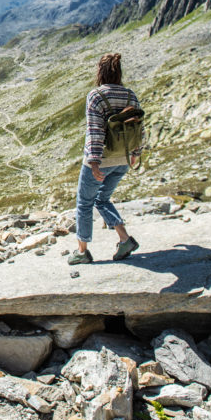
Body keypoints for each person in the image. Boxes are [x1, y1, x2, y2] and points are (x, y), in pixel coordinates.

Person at [68, 52, 143, 264]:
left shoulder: (96, 96)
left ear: (100, 72)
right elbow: (138, 128)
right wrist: (135, 154)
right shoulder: (130, 96)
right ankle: (124, 239)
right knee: (102, 199)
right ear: (119, 72)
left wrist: (93, 162)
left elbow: (94, 130)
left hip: (102, 160)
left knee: (84, 203)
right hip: (123, 159)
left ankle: (82, 252)